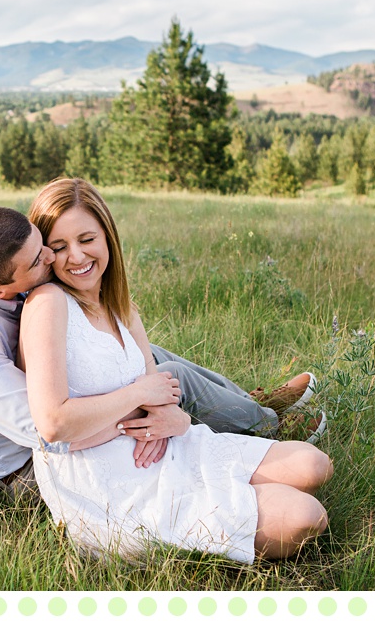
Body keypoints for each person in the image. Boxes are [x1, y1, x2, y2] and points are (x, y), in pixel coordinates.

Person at [20, 178, 332, 562]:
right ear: (46, 255)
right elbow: (53, 424)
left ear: (107, 237)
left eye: (87, 239)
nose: (77, 256)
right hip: (108, 478)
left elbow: (162, 395)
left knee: (313, 465)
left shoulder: (118, 303)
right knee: (307, 517)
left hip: (164, 446)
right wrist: (139, 398)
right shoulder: (48, 303)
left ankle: (253, 430)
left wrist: (178, 421)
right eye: (59, 246)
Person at [0, 204, 320, 497]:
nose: (52, 256)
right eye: (38, 258)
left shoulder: (8, 264)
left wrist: (149, 390)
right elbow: (49, 431)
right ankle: (266, 427)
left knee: (145, 356)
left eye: (42, 242)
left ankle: (244, 407)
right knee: (161, 381)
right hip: (19, 473)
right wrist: (151, 405)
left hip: (54, 424)